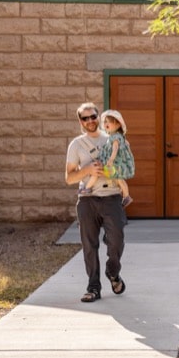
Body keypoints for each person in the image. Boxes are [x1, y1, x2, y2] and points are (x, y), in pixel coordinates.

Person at [65, 102, 126, 303]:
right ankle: (93, 286)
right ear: (80, 121)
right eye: (85, 118)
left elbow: (126, 166)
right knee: (89, 244)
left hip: (112, 197)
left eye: (93, 116)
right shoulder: (76, 144)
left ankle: (113, 272)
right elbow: (69, 178)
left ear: (99, 117)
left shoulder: (113, 139)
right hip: (87, 200)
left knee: (116, 239)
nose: (90, 121)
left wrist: (114, 170)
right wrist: (88, 170)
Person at [82, 109, 135, 208]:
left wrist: (111, 160)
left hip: (112, 163)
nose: (106, 123)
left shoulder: (115, 137)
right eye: (105, 121)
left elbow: (115, 149)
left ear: (118, 125)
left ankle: (87, 188)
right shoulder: (116, 136)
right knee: (119, 180)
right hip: (113, 163)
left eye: (109, 121)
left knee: (98, 172)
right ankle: (126, 196)